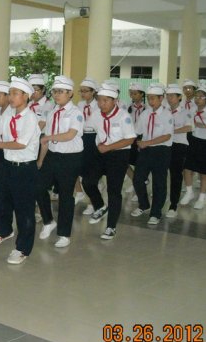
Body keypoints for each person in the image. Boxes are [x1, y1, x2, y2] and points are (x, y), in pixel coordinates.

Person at [0, 77, 40, 264]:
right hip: (8, 166)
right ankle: (4, 231)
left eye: (15, 93)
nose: (11, 97)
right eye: (10, 93)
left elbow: (21, 143)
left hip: (25, 169)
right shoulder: (8, 114)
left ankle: (23, 248)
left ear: (26, 96)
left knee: (24, 210)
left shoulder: (30, 118)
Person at [82, 82, 136, 240]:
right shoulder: (96, 114)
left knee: (114, 191)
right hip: (101, 153)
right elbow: (86, 128)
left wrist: (109, 147)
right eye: (99, 100)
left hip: (118, 154)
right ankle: (100, 206)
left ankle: (111, 226)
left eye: (105, 100)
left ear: (115, 101)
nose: (101, 104)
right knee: (88, 181)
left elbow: (130, 139)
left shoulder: (123, 116)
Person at [35, 76, 84, 248]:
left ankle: (64, 234)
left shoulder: (75, 113)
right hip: (52, 156)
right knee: (38, 187)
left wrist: (48, 138)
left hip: (70, 158)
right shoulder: (52, 113)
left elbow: (70, 135)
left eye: (61, 92)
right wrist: (41, 160)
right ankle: (48, 221)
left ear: (70, 93)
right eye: (55, 91)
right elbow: (46, 141)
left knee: (65, 195)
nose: (57, 95)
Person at [130, 84, 173, 225]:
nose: (150, 101)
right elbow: (136, 131)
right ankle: (144, 205)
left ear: (161, 98)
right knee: (138, 179)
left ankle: (156, 213)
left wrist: (147, 142)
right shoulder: (145, 114)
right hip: (146, 150)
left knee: (159, 183)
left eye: (153, 98)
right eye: (149, 98)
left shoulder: (167, 115)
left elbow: (167, 136)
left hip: (161, 150)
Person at [179, 85, 206, 210]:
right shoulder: (192, 110)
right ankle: (189, 192)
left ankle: (201, 198)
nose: (198, 99)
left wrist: (205, 126)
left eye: (201, 97)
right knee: (187, 169)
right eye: (196, 97)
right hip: (194, 141)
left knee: (204, 172)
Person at [164, 84, 193, 218]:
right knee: (161, 174)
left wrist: (171, 131)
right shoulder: (164, 111)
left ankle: (173, 204)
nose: (169, 98)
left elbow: (188, 127)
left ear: (179, 97)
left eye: (172, 96)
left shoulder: (185, 112)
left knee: (175, 175)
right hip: (164, 144)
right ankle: (161, 199)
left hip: (178, 145)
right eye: (168, 96)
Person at [76, 77, 99, 212]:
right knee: (77, 168)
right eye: (81, 91)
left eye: (85, 91)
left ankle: (92, 203)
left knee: (91, 172)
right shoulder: (79, 105)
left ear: (93, 92)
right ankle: (79, 192)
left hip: (94, 137)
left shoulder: (99, 105)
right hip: (81, 136)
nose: (83, 94)